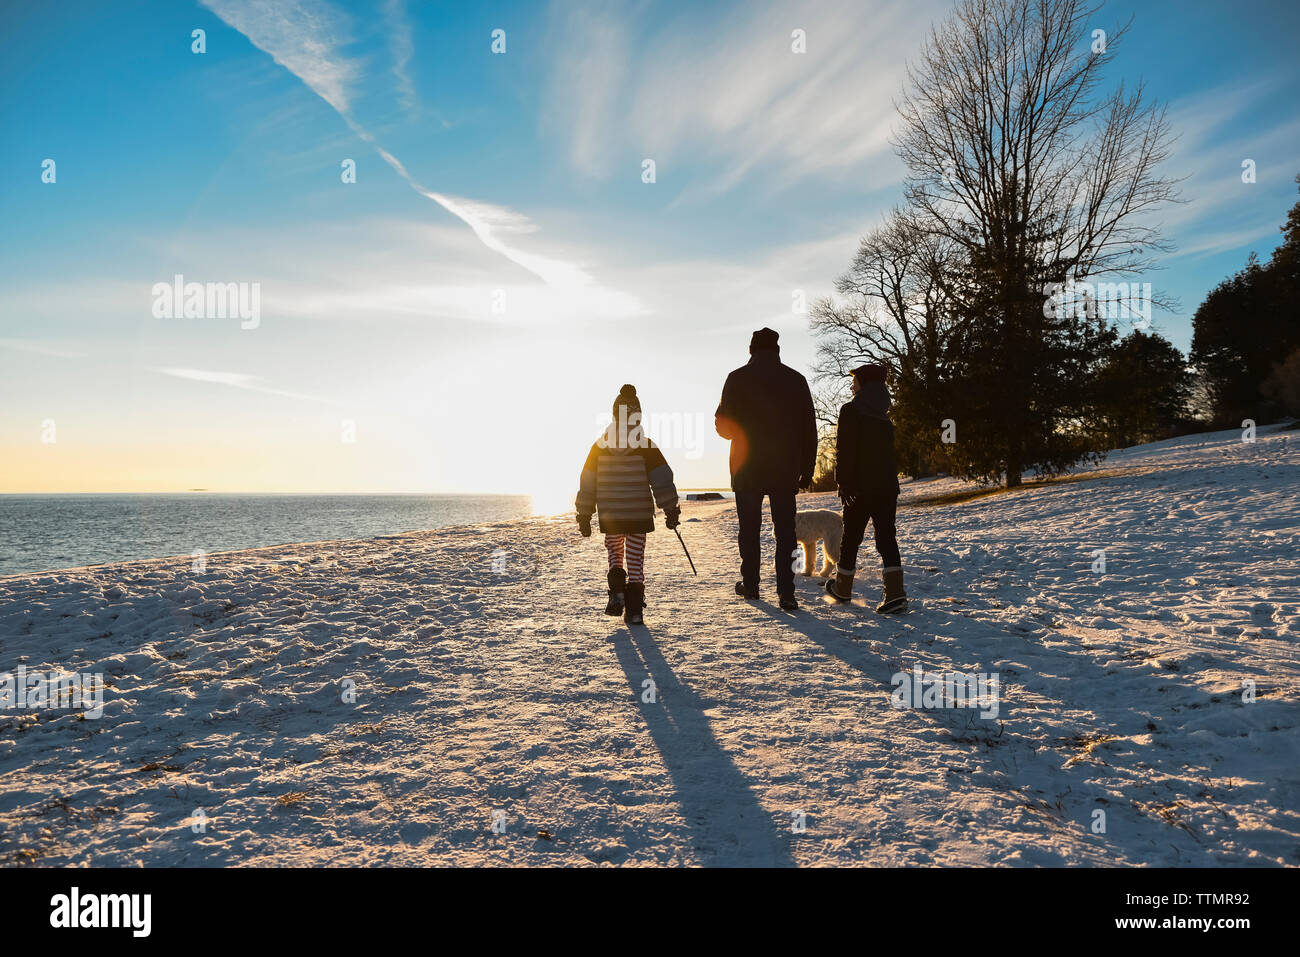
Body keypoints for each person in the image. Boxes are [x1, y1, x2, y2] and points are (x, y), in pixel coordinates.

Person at [715, 327, 817, 610]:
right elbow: (810, 428)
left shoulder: (736, 378)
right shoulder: (796, 380)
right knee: (785, 532)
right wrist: (807, 469)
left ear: (751, 350)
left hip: (746, 467)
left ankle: (751, 585)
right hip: (785, 469)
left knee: (749, 529)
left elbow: (723, 427)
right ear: (778, 350)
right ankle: (787, 592)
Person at [575, 384, 681, 626]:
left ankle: (617, 593)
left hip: (611, 515)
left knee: (614, 553)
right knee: (635, 561)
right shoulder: (646, 446)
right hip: (638, 515)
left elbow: (588, 482)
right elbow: (662, 481)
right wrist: (671, 509)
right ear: (638, 416)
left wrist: (584, 513)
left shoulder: (599, 447)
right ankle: (634, 611)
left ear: (614, 415)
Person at [827, 363, 907, 613]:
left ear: (864, 384)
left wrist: (843, 482)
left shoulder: (851, 410)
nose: (852, 386)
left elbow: (845, 450)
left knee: (850, 538)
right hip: (885, 487)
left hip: (859, 487)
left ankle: (842, 588)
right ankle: (895, 594)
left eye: (855, 381)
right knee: (886, 538)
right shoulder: (885, 414)